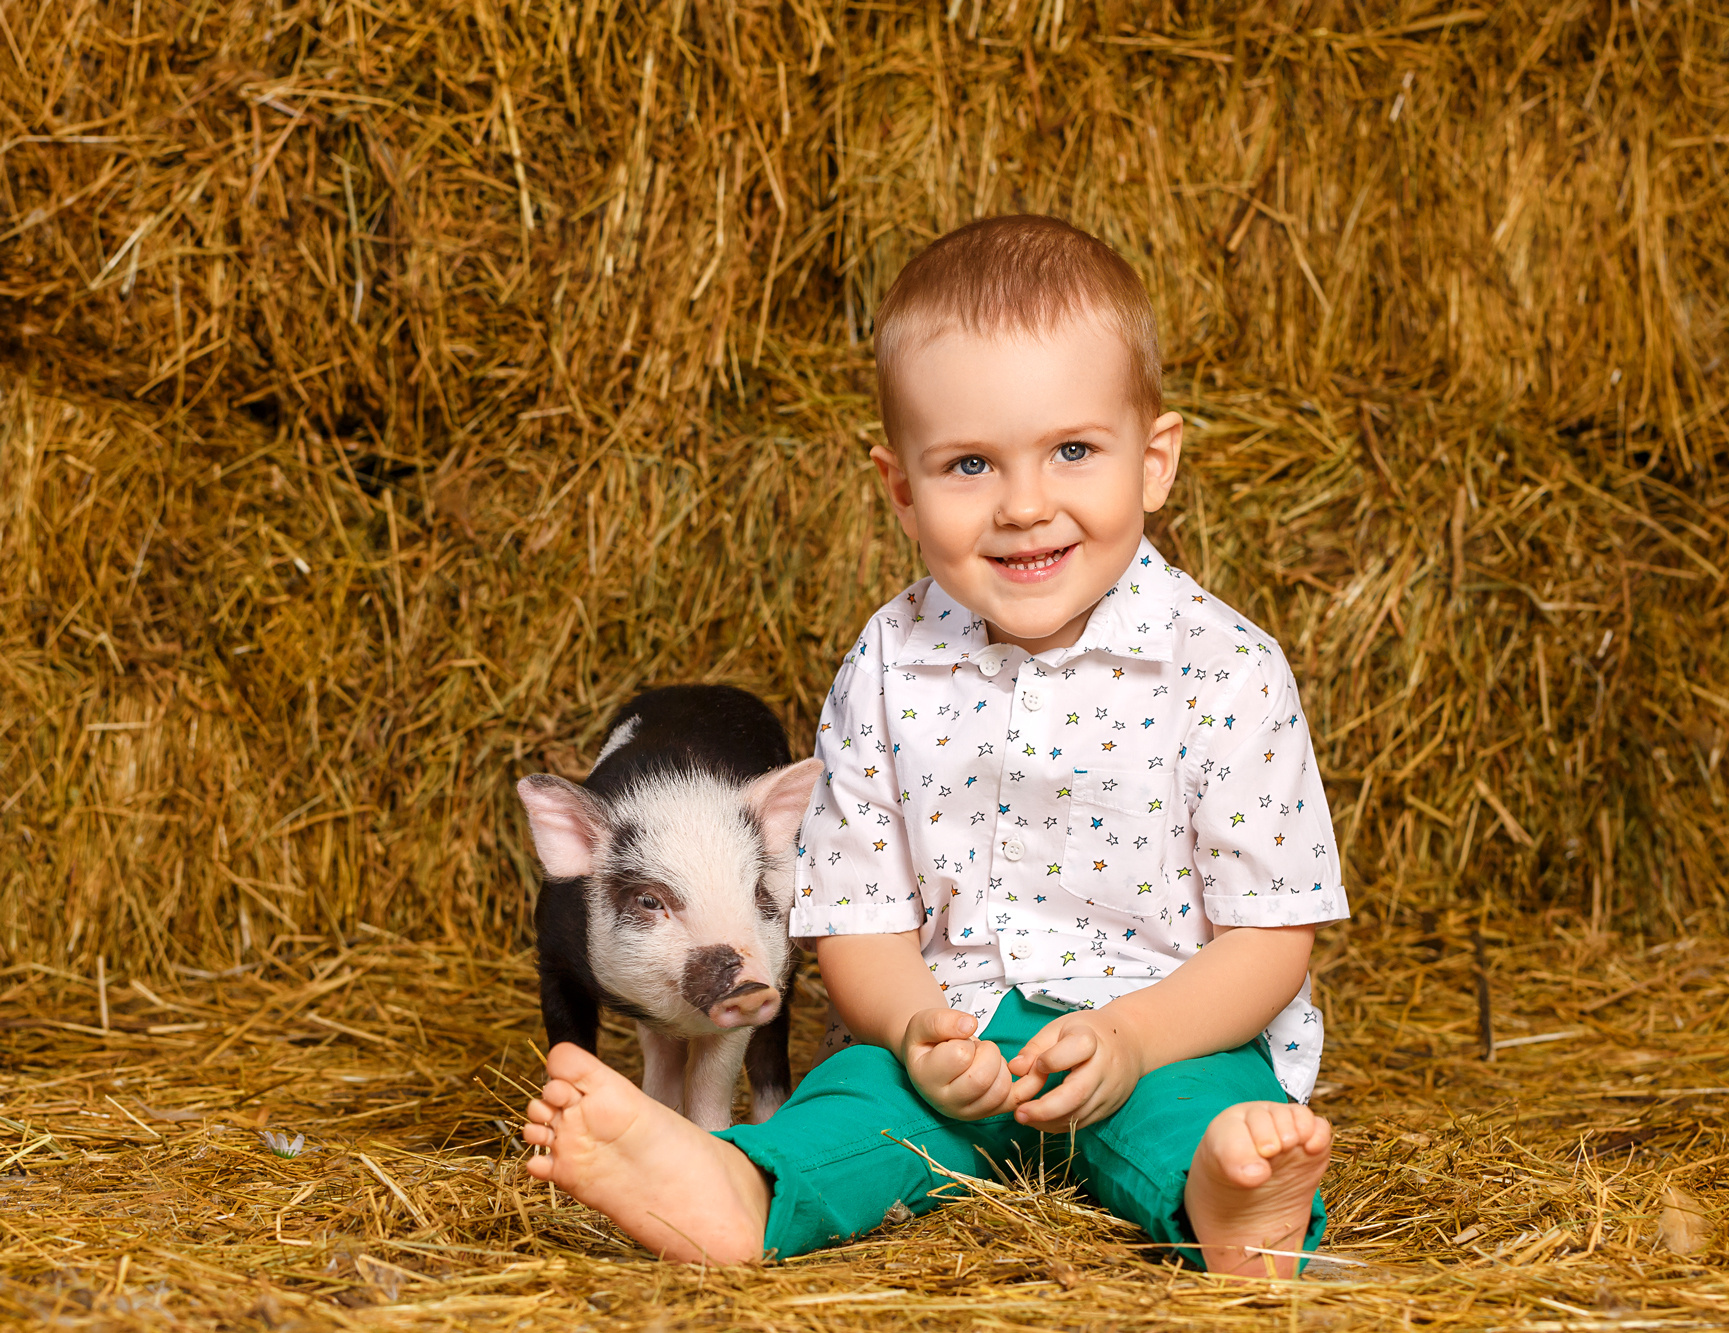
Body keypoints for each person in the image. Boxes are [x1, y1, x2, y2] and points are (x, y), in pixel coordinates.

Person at [521, 215, 1349, 1276]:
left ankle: (1235, 1208)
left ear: (1153, 462)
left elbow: (1269, 939)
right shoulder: (884, 664)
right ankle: (740, 1185)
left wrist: (1134, 1037)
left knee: (1210, 1113)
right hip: (945, 1044)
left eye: (1073, 451)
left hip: (1162, 1036)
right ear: (902, 490)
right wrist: (917, 1030)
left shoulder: (1227, 670)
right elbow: (856, 919)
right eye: (968, 464)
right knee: (853, 1103)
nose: (1024, 505)